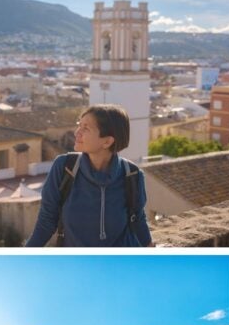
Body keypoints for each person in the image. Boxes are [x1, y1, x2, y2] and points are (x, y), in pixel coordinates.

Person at [26, 104, 153, 247]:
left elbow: (138, 220)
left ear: (107, 141)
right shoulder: (64, 167)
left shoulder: (132, 175)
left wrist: (151, 250)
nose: (76, 132)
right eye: (79, 125)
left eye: (85, 128)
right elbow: (46, 221)